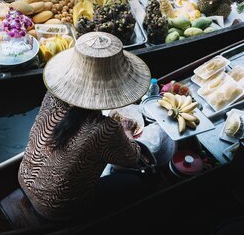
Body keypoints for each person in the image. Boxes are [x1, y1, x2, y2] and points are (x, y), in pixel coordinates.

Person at [18, 31, 153, 222]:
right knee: (136, 182)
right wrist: (127, 132)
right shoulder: (105, 129)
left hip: (23, 179)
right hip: (55, 208)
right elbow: (132, 157)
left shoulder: (52, 98)